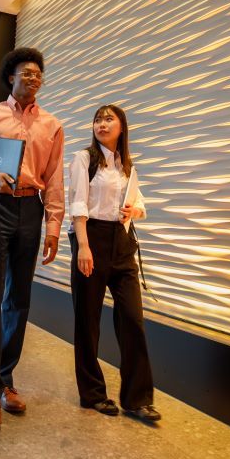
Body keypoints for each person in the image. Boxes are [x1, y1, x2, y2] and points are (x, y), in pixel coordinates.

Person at [0, 47, 64, 426]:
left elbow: (54, 178)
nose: (33, 78)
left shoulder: (52, 125)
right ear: (11, 77)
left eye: (38, 74)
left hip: (30, 209)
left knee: (19, 298)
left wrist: (54, 224)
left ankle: (6, 379)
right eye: (26, 73)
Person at [68, 104, 159, 423]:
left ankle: (137, 398)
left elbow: (140, 202)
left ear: (122, 127)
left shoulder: (126, 165)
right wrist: (83, 246)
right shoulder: (84, 159)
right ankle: (92, 393)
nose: (101, 124)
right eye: (97, 119)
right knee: (87, 320)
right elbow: (77, 201)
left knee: (132, 318)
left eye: (109, 119)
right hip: (90, 236)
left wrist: (134, 210)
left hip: (122, 242)